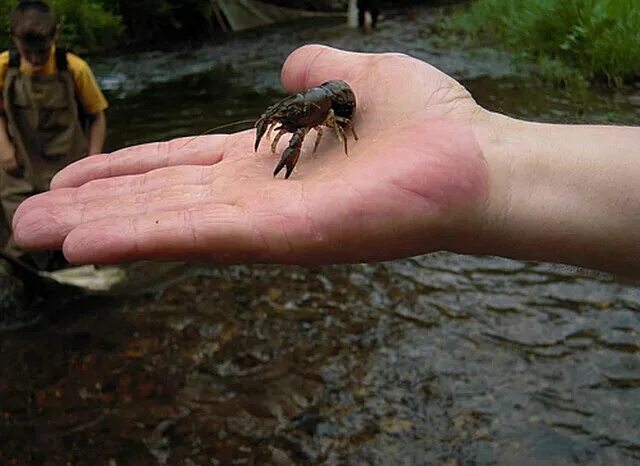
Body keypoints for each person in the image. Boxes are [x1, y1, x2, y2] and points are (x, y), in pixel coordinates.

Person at [8, 44, 640, 279]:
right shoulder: (294, 112)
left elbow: (325, 126)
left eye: (293, 119)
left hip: (341, 105)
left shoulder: (332, 109)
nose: (284, 124)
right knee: (283, 129)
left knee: (313, 136)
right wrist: (283, 126)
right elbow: (288, 124)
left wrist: (338, 122)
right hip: (325, 105)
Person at [0, 0, 108, 265]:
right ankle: (25, 269)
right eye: (28, 53)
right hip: (20, 164)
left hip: (66, 162)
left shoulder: (74, 69)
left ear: (56, 35)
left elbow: (98, 117)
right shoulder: (3, 67)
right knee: (21, 224)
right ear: (14, 39)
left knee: (72, 225)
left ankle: (79, 265)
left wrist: (92, 160)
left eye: (42, 52)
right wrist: (4, 148)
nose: (35, 59)